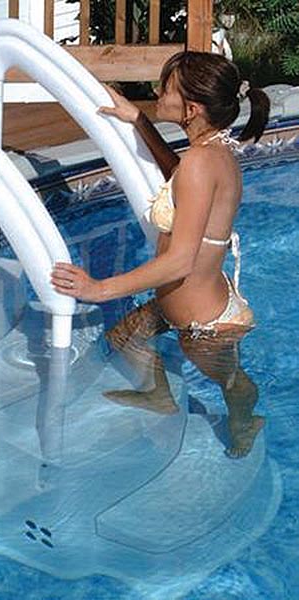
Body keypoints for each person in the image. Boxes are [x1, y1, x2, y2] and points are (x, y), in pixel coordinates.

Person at [51, 51, 270, 458]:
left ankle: (246, 416)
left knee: (232, 384)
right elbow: (180, 178)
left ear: (192, 109)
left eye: (166, 89)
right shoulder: (210, 152)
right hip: (187, 305)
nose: (157, 92)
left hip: (206, 326)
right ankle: (159, 395)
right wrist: (139, 120)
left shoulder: (201, 162)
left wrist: (99, 289)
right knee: (124, 338)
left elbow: (181, 261)